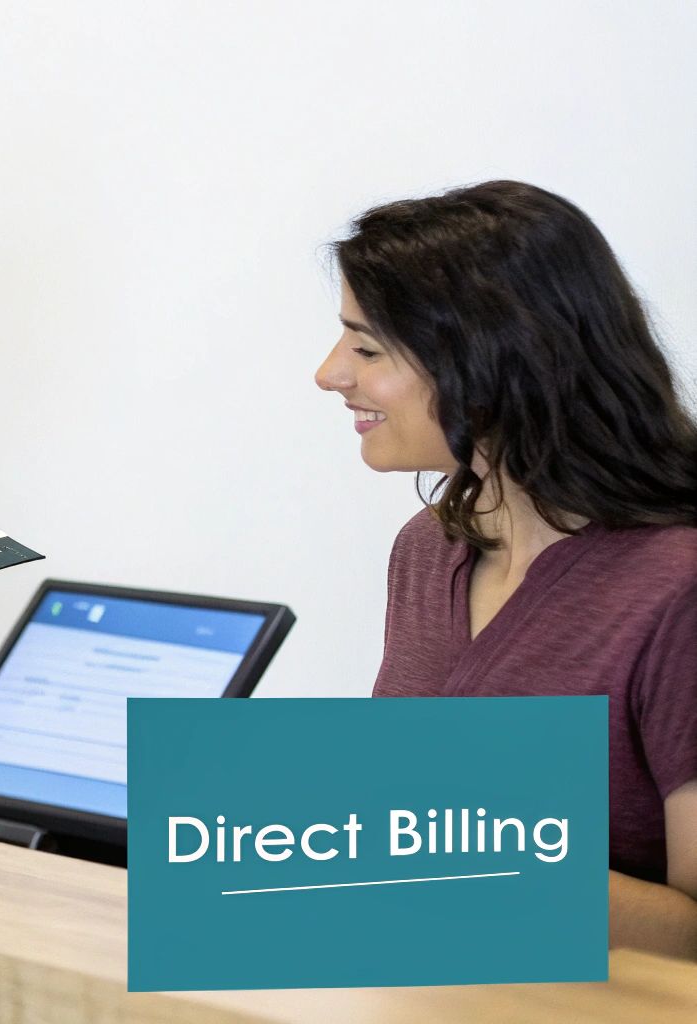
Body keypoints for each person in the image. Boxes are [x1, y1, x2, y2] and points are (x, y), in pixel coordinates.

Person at [314, 180, 697, 960]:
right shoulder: (428, 548)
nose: (330, 374)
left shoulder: (676, 590)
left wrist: (464, 861)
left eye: (368, 347)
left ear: (492, 358)